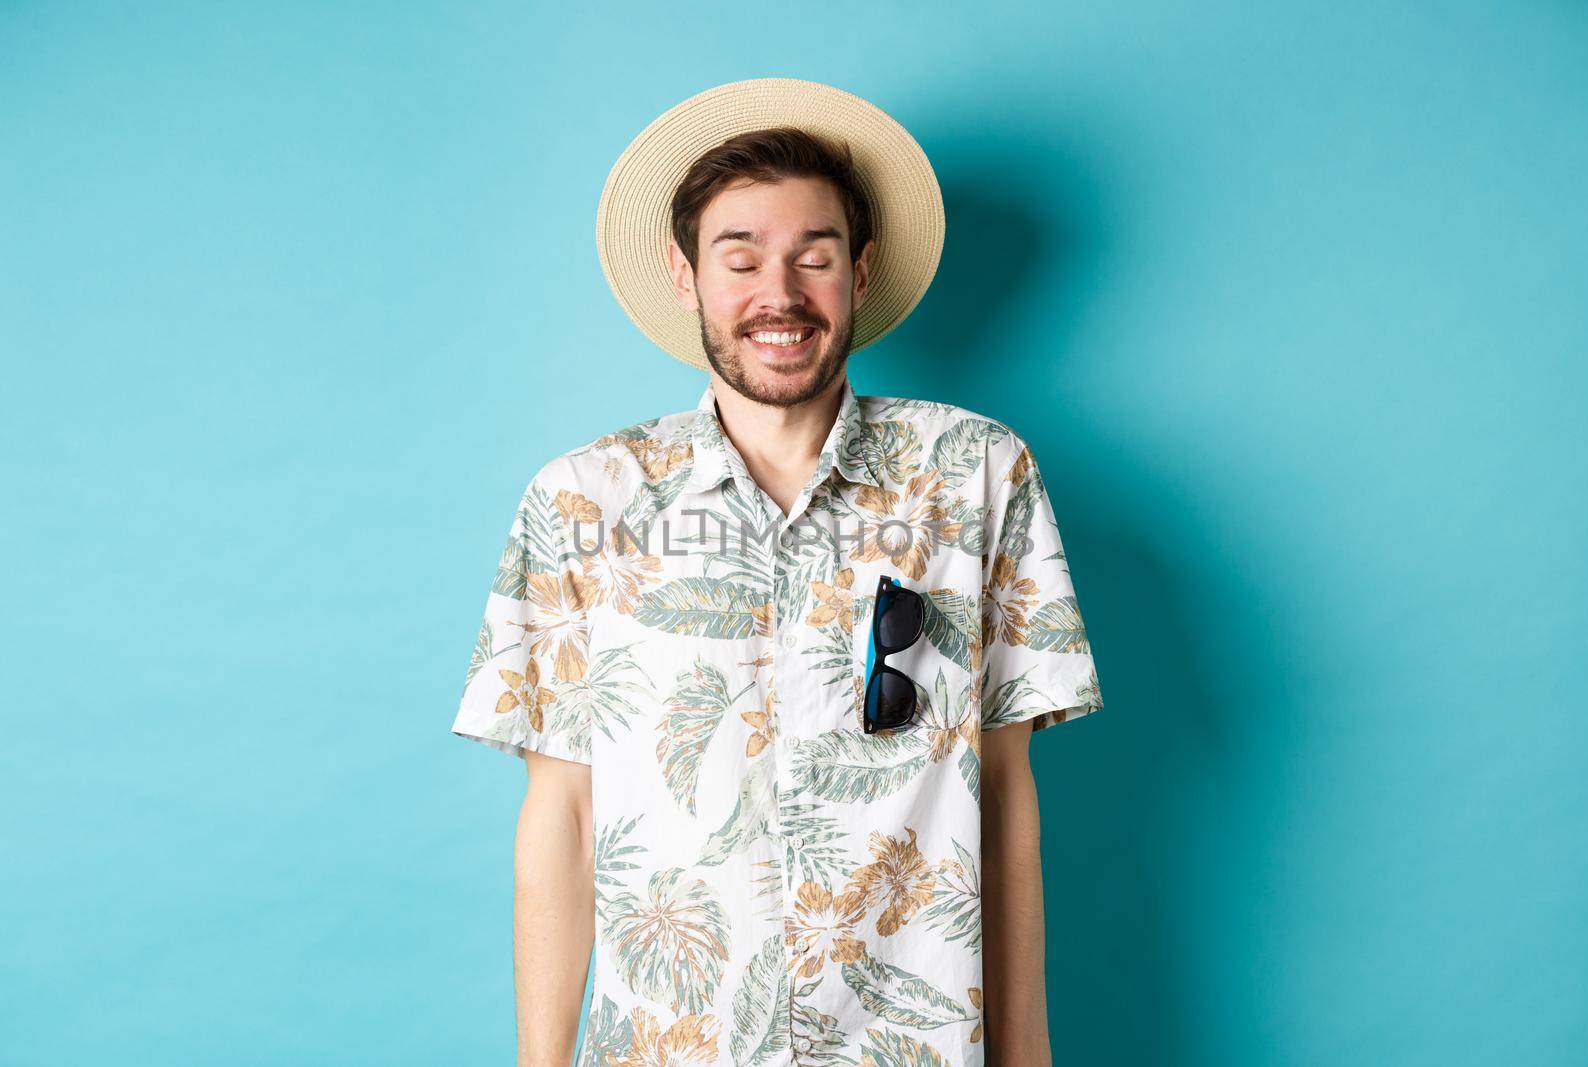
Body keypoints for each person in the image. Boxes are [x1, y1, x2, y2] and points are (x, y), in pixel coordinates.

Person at [450, 77, 1104, 1067]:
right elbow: (561, 814)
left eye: (815, 256)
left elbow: (1004, 791)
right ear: (687, 277)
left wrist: (1028, 1052)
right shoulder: (583, 498)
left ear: (861, 269)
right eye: (741, 257)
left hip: (908, 1041)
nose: (780, 296)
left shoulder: (977, 473)